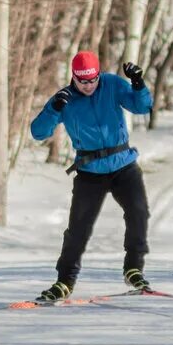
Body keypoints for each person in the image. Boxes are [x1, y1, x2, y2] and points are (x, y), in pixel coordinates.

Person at [29, 51, 153, 301]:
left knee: (138, 212)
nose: (88, 86)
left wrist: (138, 83)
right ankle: (64, 281)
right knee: (78, 229)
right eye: (82, 81)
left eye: (92, 80)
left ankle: (133, 269)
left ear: (98, 74)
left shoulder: (112, 84)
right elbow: (38, 132)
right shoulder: (64, 98)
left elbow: (142, 106)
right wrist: (53, 110)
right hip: (90, 171)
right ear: (74, 77)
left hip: (123, 164)